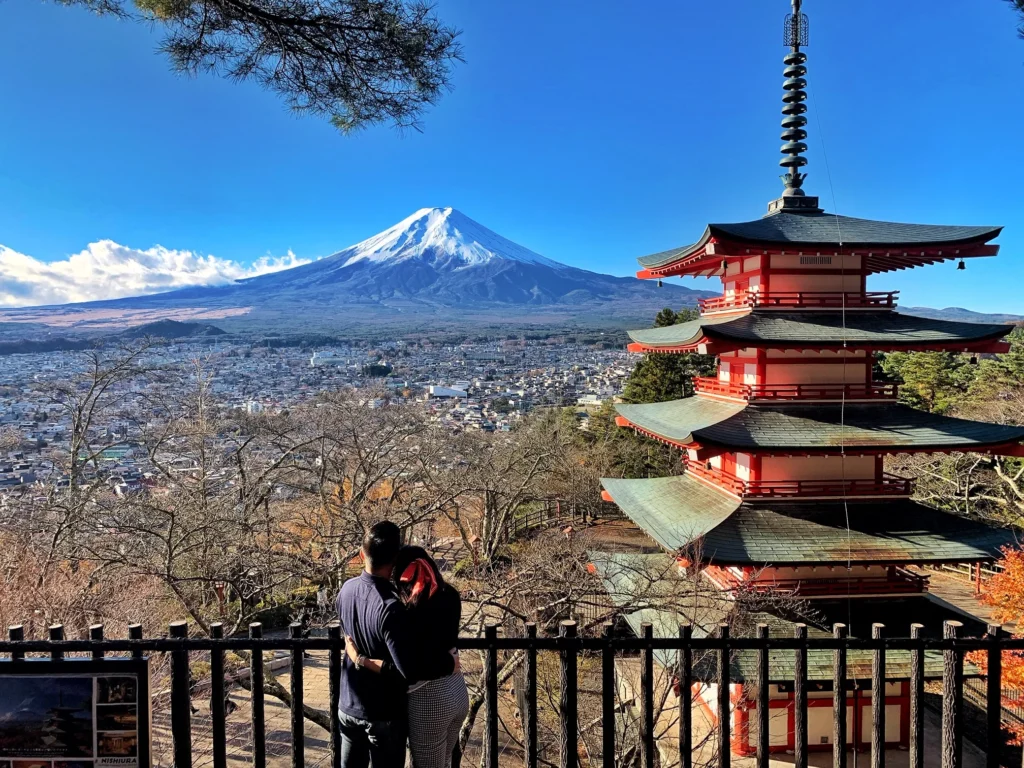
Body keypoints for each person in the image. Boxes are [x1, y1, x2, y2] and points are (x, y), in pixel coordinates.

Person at [336, 522, 453, 768]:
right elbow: (407, 670)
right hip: (382, 712)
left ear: (361, 554)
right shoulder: (390, 606)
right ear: (396, 558)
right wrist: (448, 663)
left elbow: (348, 638)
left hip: (348, 704)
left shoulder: (346, 590)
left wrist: (357, 658)